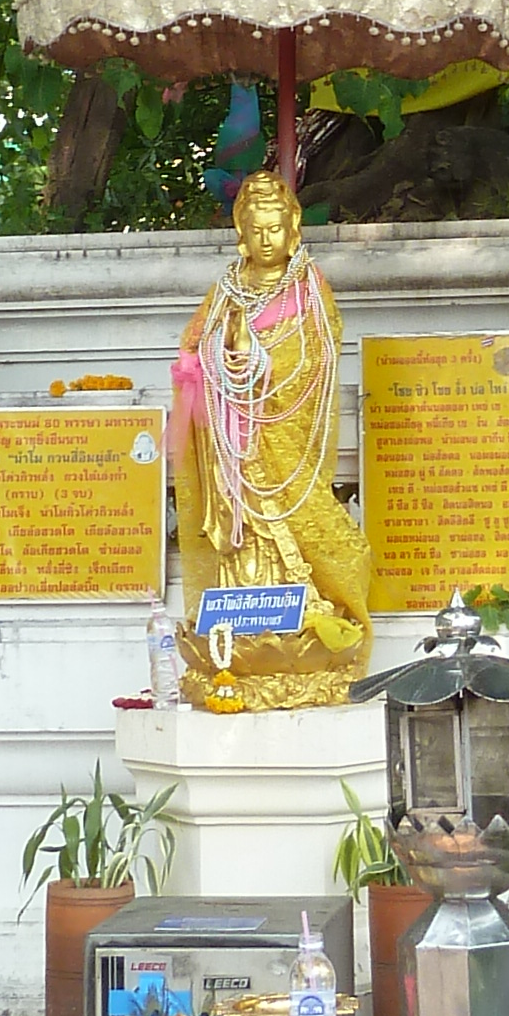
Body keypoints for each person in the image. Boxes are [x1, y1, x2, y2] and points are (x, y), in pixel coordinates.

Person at [167, 169, 373, 709]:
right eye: (256, 230)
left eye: (275, 229)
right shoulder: (226, 289)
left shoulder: (308, 287)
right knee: (240, 528)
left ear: (293, 228)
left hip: (283, 426)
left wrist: (258, 362)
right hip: (231, 437)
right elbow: (192, 348)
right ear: (241, 231)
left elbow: (319, 354)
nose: (266, 240)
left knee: (289, 515)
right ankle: (241, 597)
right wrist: (221, 358)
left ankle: (297, 592)